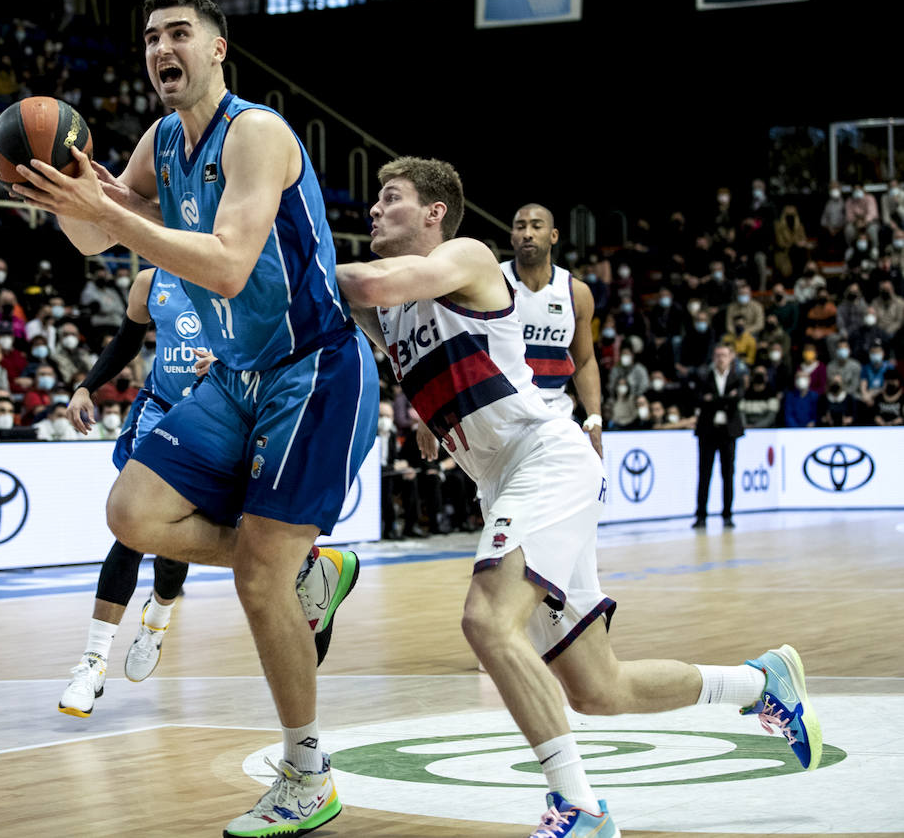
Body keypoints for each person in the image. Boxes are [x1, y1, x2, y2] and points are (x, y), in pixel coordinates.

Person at [334, 156, 820, 838]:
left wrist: (296, 243)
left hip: (547, 463)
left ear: (435, 212)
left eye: (391, 199)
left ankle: (582, 808)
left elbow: (355, 277)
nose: (374, 211)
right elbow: (338, 304)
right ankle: (760, 681)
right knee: (599, 689)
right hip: (503, 482)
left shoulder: (469, 257)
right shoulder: (394, 312)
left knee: (485, 622)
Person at [14, 0, 374, 836]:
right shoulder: (161, 141)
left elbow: (225, 265)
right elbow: (98, 241)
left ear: (218, 49)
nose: (160, 48)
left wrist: (111, 213)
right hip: (240, 372)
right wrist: (69, 199)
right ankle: (313, 575)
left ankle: (307, 772)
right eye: (150, 38)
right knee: (131, 513)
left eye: (179, 34)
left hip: (312, 367)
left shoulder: (258, 132)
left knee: (255, 575)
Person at [58, 268, 209, 716]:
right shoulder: (149, 281)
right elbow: (127, 338)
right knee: (131, 528)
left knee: (175, 536)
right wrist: (87, 385)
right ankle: (93, 662)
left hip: (213, 413)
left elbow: (267, 340)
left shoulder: (233, 270)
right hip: (158, 411)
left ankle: (157, 622)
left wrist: (227, 362)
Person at [501, 205, 602, 451]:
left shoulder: (576, 292)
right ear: (512, 236)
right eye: (520, 227)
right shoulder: (493, 281)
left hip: (555, 413)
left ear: (554, 236)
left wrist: (595, 417)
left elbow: (585, 360)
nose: (527, 233)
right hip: (502, 410)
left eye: (536, 226)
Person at [692, 343, 745, 528]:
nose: (720, 358)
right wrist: (725, 400)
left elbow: (736, 400)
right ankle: (700, 516)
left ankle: (727, 515)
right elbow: (699, 400)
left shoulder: (737, 378)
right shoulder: (704, 377)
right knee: (704, 474)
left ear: (731, 357)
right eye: (717, 355)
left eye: (724, 355)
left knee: (728, 474)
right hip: (708, 431)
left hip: (728, 432)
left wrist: (713, 400)